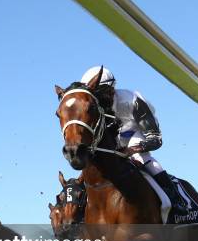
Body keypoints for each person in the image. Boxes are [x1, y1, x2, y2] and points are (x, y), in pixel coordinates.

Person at [80, 66, 188, 212]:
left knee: (140, 157)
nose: (98, 99)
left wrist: (131, 149)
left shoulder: (132, 100)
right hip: (115, 139)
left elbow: (156, 139)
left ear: (111, 89)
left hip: (136, 134)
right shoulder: (93, 109)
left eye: (100, 93)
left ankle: (175, 200)